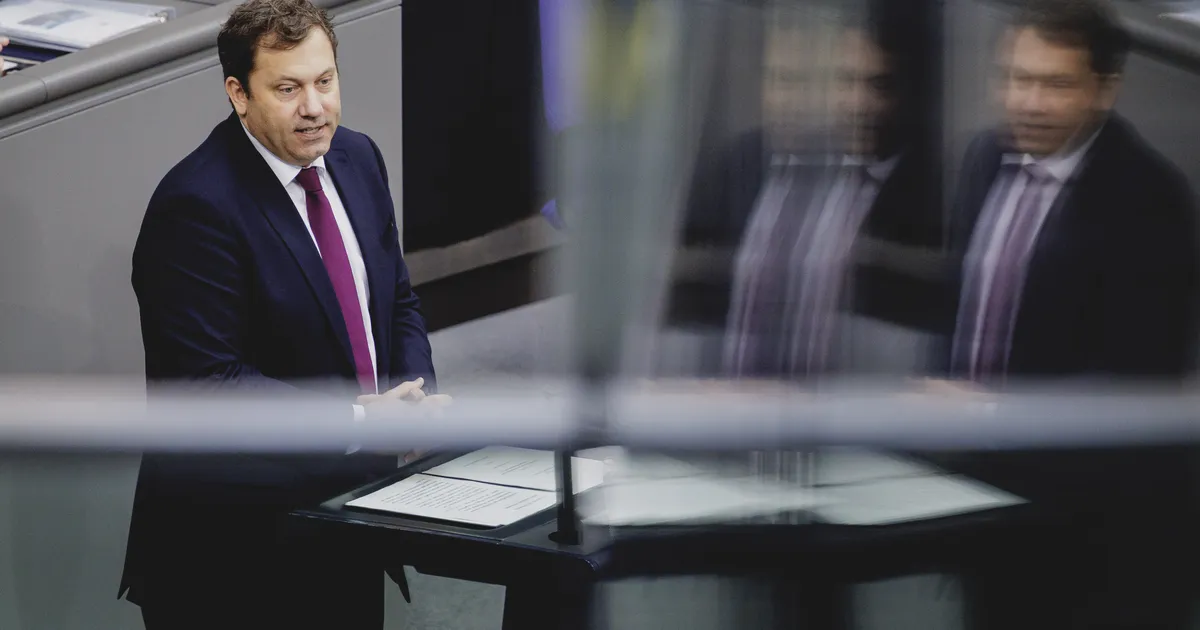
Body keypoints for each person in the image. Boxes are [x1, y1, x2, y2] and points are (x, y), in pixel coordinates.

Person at [118, 0, 440, 627]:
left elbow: (396, 300)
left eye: (325, 81)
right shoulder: (195, 207)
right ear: (238, 94)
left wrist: (414, 396)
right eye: (288, 89)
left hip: (347, 516)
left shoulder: (358, 158)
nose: (314, 107)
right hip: (235, 552)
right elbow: (209, 385)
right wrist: (358, 422)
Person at [945, 1, 1199, 627]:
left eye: (1055, 85)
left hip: (1095, 530)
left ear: (1104, 91)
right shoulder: (984, 159)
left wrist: (996, 411)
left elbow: (1138, 379)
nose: (1028, 102)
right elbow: (958, 303)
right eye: (1016, 78)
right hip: (983, 498)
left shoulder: (1150, 200)